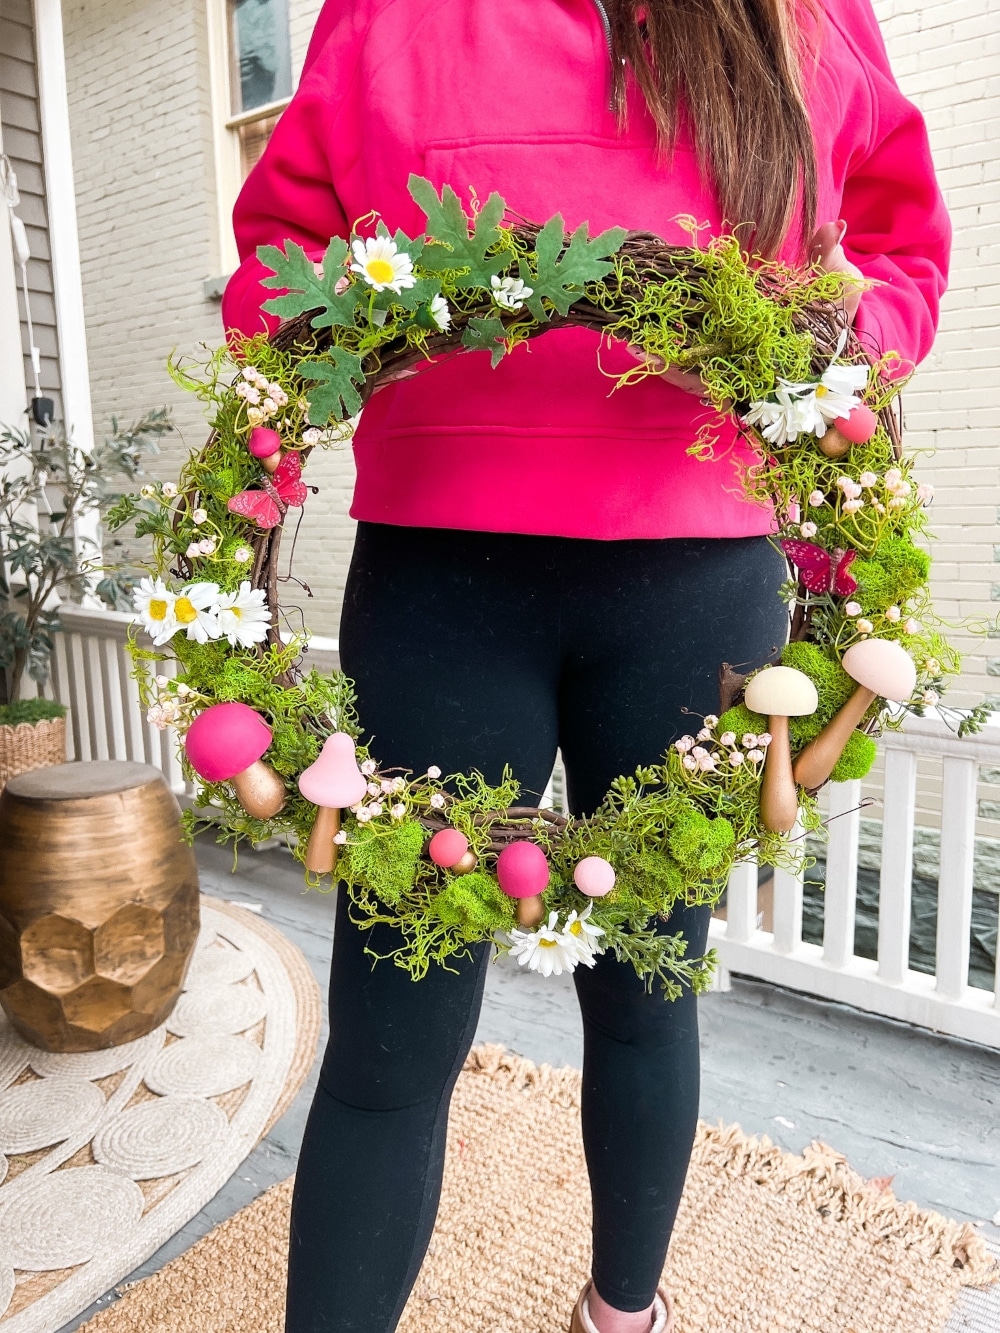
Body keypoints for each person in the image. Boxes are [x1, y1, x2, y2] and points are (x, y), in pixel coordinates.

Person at [221, 2, 949, 1329]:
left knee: (644, 983)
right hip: (443, 584)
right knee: (393, 1028)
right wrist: (318, 344)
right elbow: (280, 245)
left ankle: (622, 1313)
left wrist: (833, 354)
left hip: (694, 587)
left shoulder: (802, 18)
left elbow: (900, 239)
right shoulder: (386, 12)